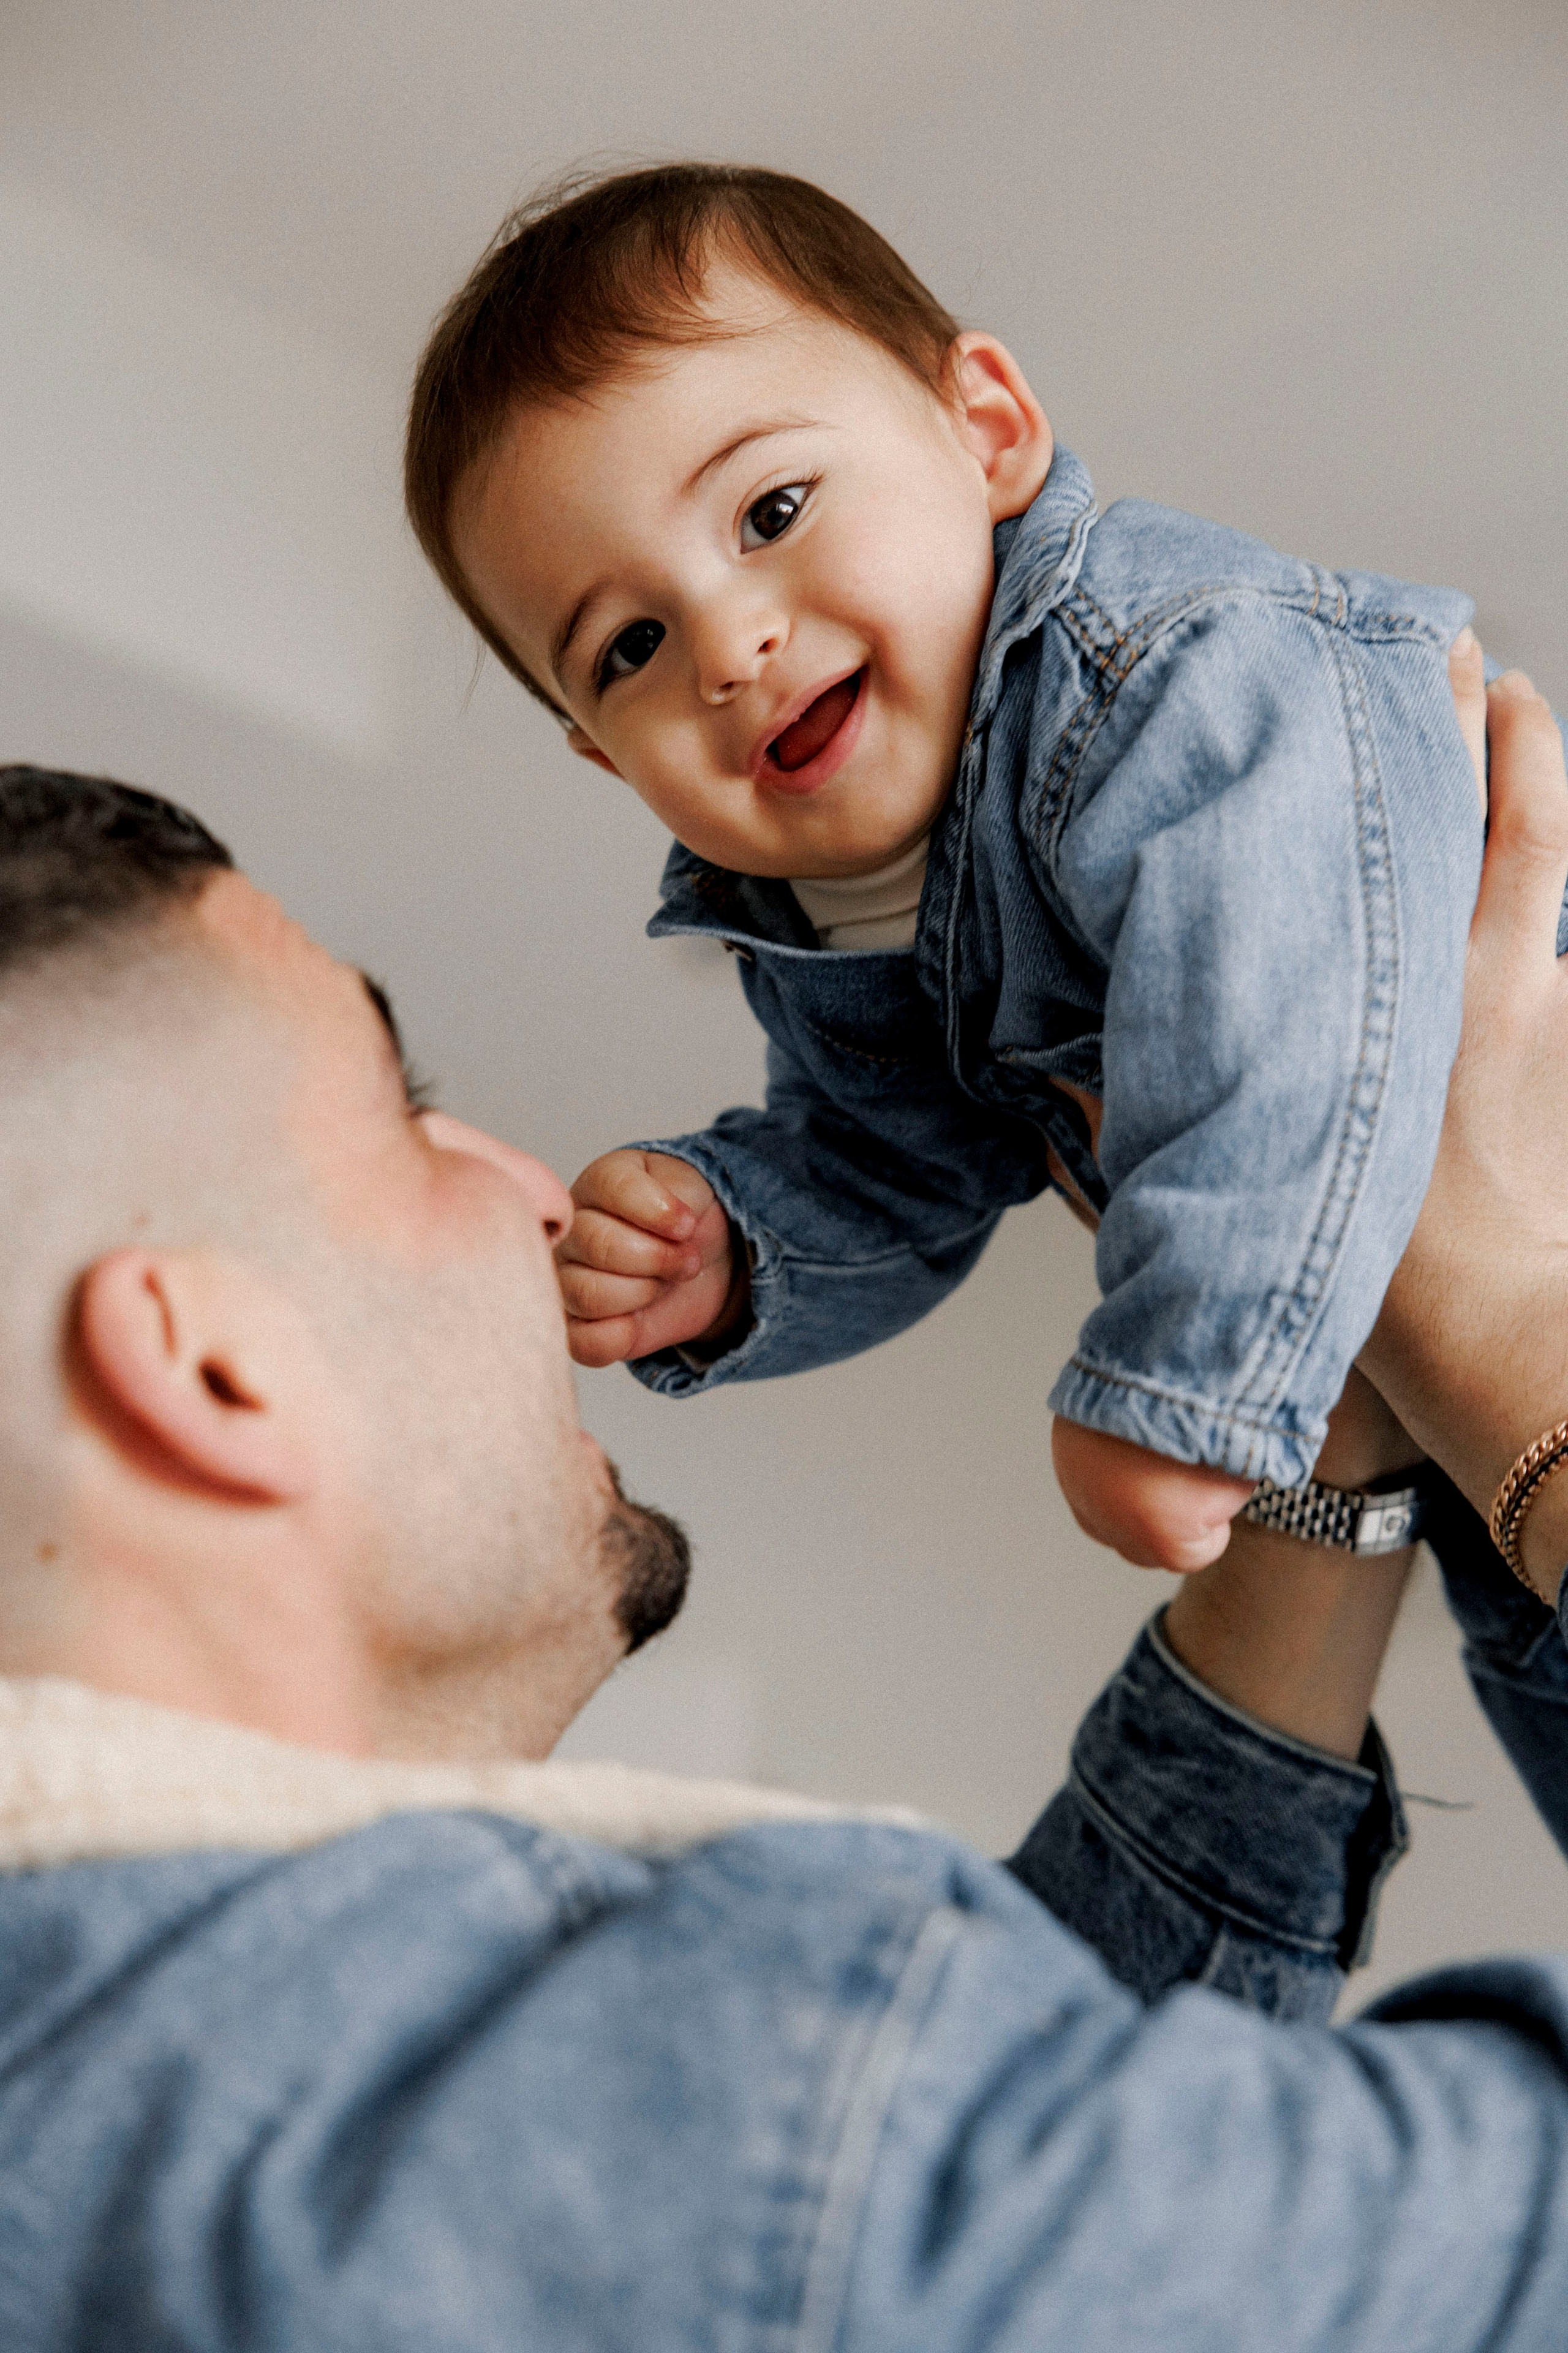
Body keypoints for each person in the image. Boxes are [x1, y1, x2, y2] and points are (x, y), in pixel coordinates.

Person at [1, 660, 1567, 2347]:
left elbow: (1019, 2155)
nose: (534, 1189)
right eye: (404, 1112)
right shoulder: (691, 2126)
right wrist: (1510, 1339)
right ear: (212, 1367)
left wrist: (1322, 1470)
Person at [404, 161, 1558, 1577]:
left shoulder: (1163, 672)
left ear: (985, 429)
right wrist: (736, 1247)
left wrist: (1175, 1381)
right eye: (627, 649)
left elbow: (1276, 1020)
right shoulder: (834, 911)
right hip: (1481, 1418)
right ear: (598, 755)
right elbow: (895, 1165)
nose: (725, 647)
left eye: (770, 513)